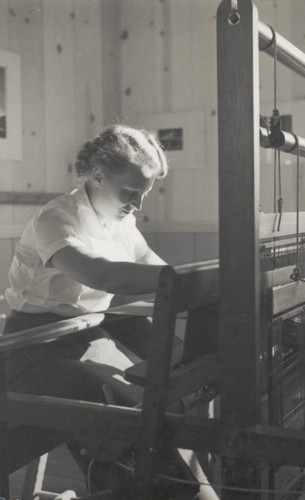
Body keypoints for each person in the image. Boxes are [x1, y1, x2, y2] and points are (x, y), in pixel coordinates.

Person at [4, 124, 218, 499]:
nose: (137, 204)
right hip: (33, 349)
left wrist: (205, 283)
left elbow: (158, 267)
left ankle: (180, 490)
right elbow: (100, 273)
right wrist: (188, 281)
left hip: (85, 335)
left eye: (144, 194)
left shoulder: (122, 222)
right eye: (131, 192)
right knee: (120, 412)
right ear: (99, 176)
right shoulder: (54, 219)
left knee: (142, 405)